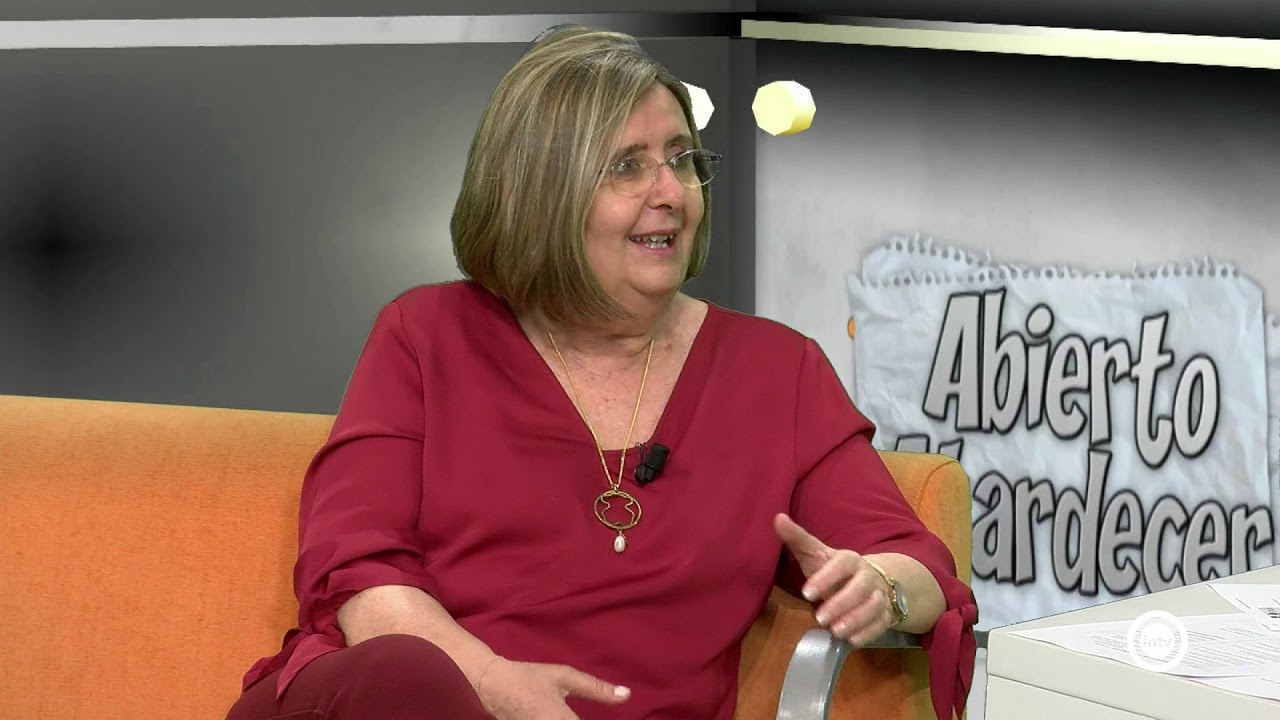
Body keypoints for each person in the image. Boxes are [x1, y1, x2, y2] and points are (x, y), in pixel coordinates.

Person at [226, 24, 977, 720]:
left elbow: (916, 562)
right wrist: (493, 684)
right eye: (627, 166)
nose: (671, 193)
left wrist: (878, 588)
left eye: (681, 159)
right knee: (404, 677)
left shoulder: (775, 372)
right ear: (542, 194)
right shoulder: (425, 336)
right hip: (408, 702)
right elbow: (360, 572)